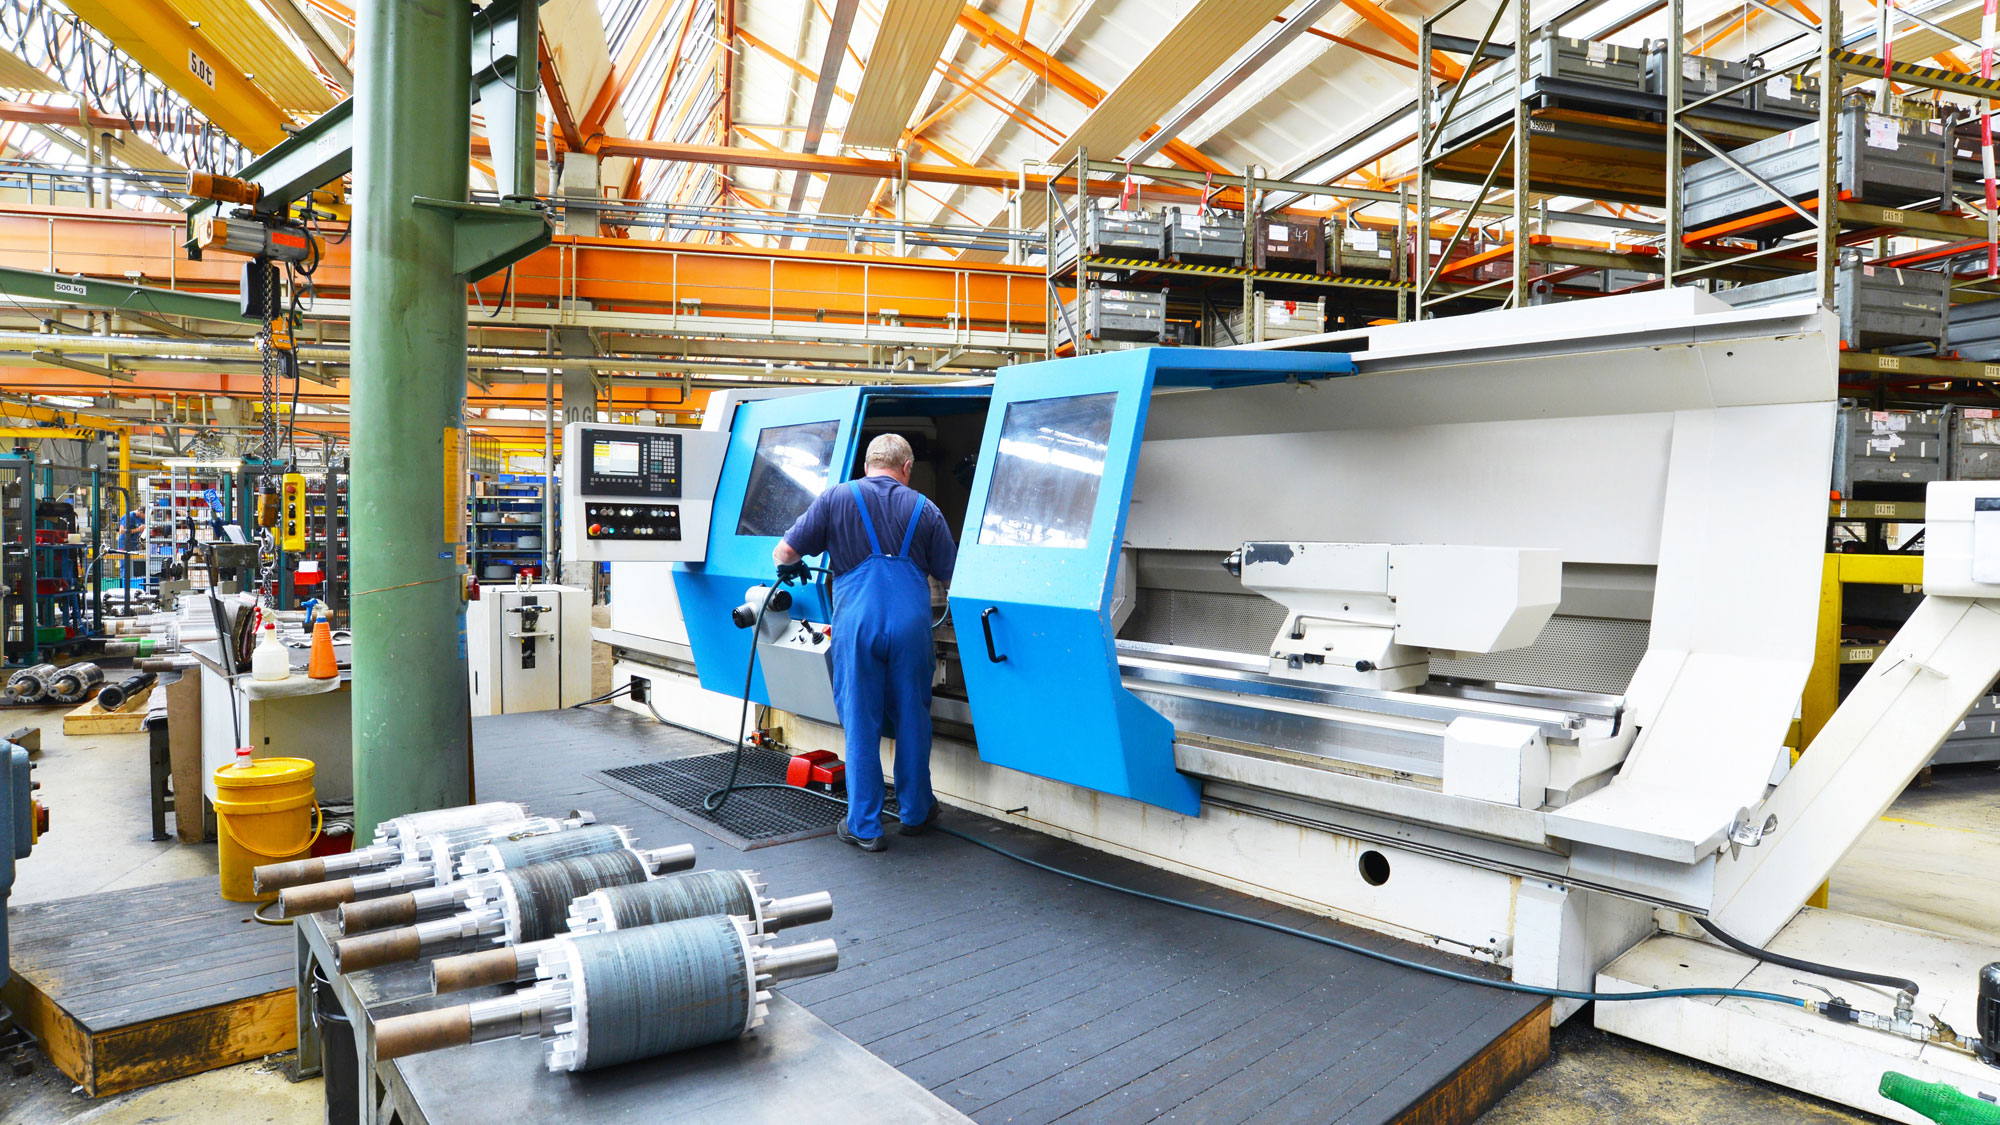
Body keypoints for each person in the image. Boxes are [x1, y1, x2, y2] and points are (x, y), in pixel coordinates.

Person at [774, 434, 956, 852]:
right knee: (913, 716)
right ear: (906, 467)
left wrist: (799, 563)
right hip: (911, 625)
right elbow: (952, 579)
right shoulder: (925, 508)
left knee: (861, 720)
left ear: (868, 464)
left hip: (857, 623)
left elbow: (784, 552)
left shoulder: (836, 498)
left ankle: (866, 826)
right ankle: (915, 812)